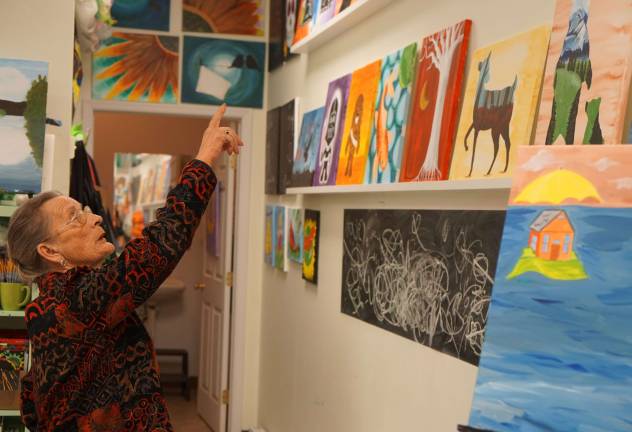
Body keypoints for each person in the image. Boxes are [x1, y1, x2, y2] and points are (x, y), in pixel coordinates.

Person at [6, 105, 242, 431]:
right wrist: (204, 159)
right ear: (49, 250)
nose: (95, 217)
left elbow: (32, 405)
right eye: (74, 217)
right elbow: (161, 245)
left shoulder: (44, 308)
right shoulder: (78, 299)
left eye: (84, 210)